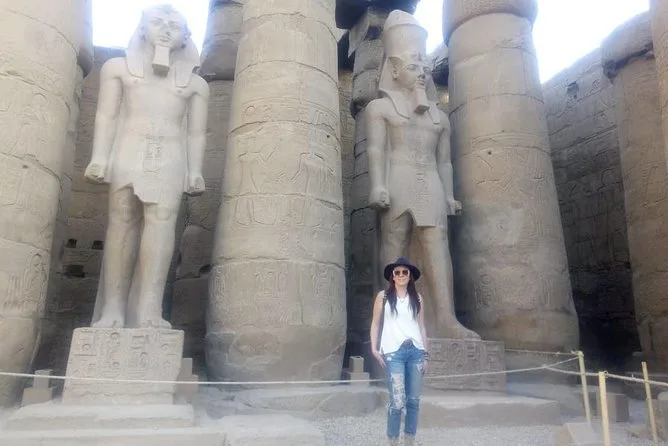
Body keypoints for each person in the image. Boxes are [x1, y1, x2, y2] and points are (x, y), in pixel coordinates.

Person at [370, 257, 428, 446]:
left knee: (414, 401)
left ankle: (409, 440)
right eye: (398, 272)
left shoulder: (417, 298)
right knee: (397, 401)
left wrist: (425, 354)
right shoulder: (383, 297)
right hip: (394, 352)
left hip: (416, 351)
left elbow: (421, 326)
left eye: (405, 272)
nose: (401, 275)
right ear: (393, 277)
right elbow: (375, 323)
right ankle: (393, 441)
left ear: (410, 276)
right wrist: (374, 348)